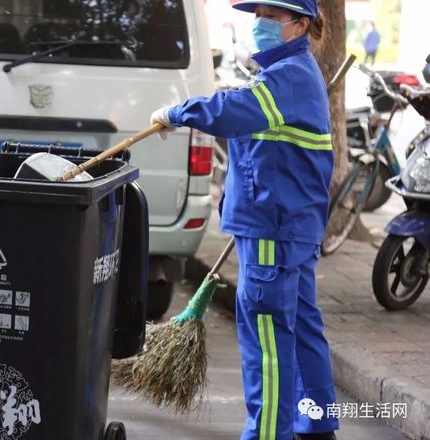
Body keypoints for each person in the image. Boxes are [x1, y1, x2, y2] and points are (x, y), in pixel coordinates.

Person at [150, 1, 339, 439]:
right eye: (260, 14)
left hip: (275, 228)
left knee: (268, 342)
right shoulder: (287, 73)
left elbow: (231, 113)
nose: (261, 24)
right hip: (289, 226)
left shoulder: (288, 77)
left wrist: (176, 113)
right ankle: (317, 422)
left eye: (273, 16)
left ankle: (269, 433)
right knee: (303, 326)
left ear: (301, 24)